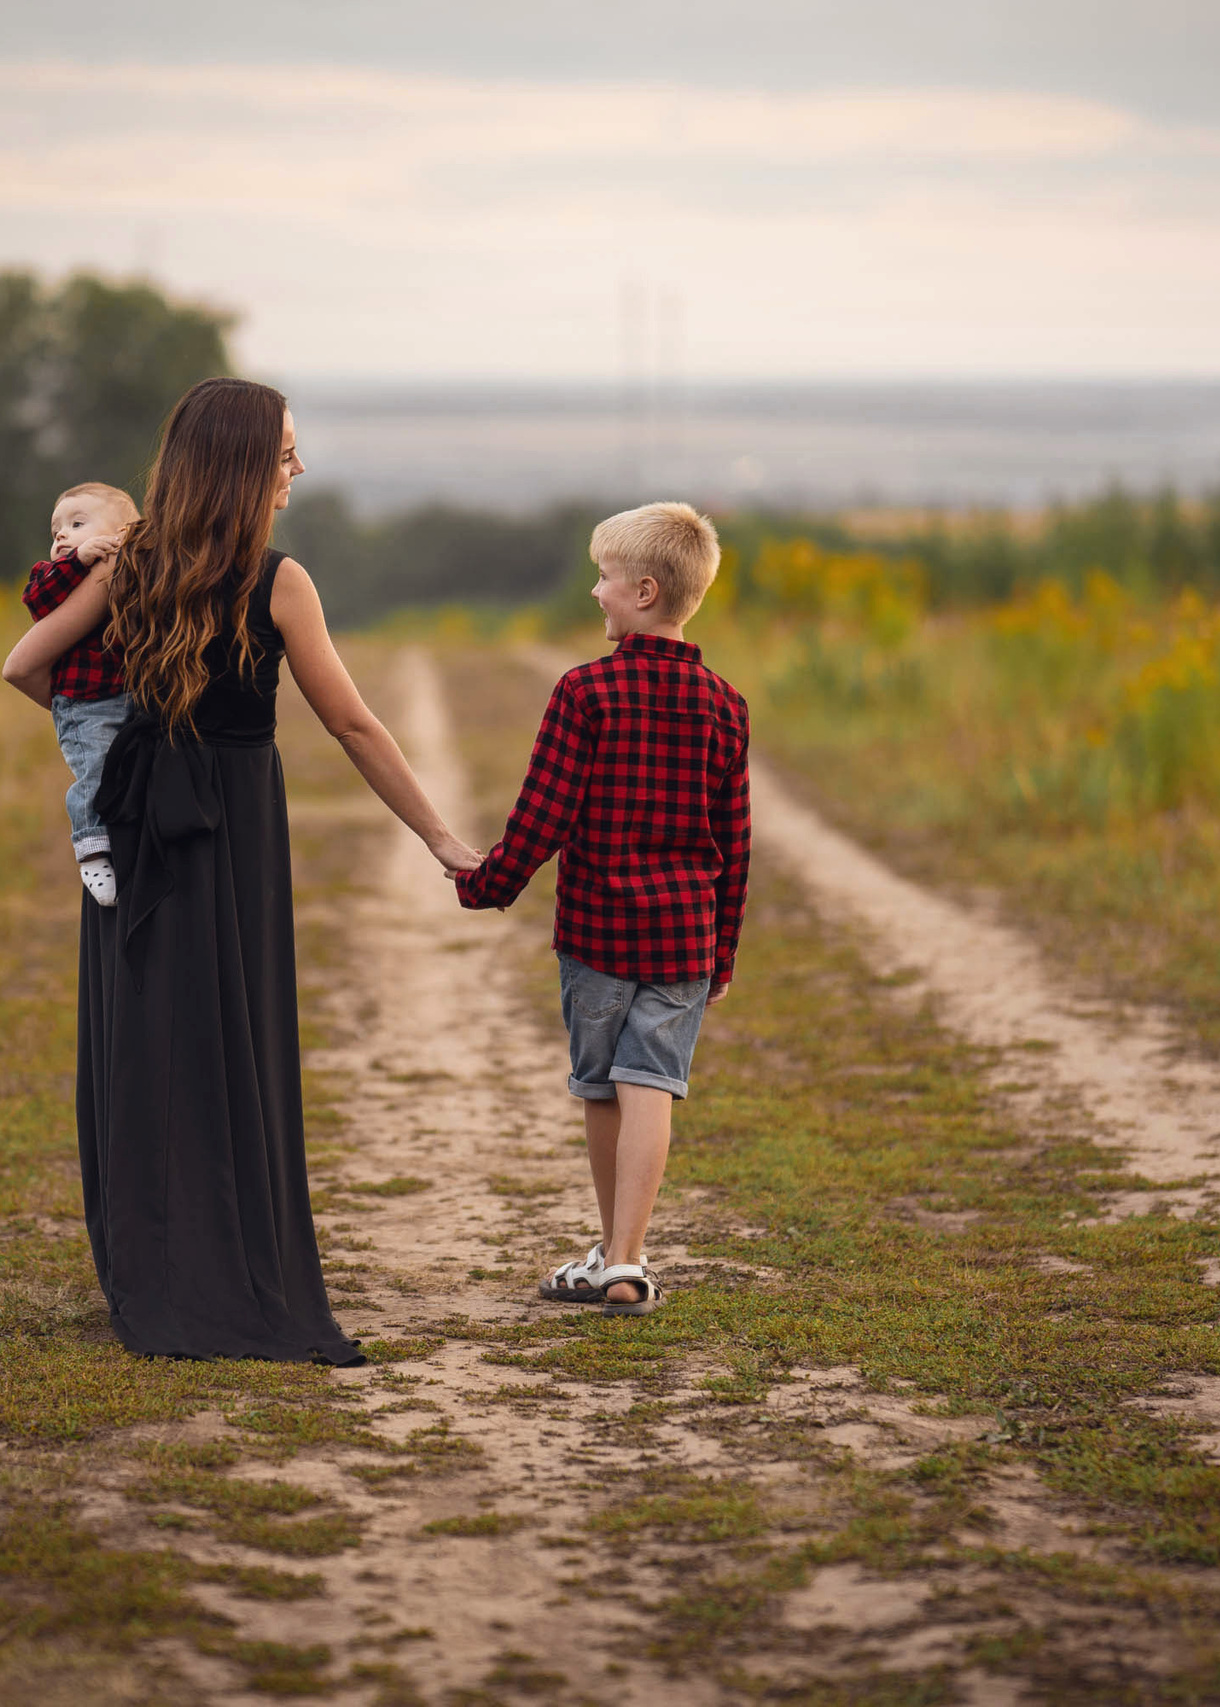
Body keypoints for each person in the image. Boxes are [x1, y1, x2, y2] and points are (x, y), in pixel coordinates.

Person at [77, 377, 480, 1363]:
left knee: (146, 1039)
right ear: (243, 464)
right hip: (228, 821)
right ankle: (226, 1262)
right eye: (285, 451)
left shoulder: (125, 568)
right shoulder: (277, 580)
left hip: (135, 815)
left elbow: (45, 676)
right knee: (229, 1040)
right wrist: (439, 837)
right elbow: (349, 720)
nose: (297, 468)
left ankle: (151, 1265)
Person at [455, 502, 750, 1316]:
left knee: (601, 1087)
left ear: (645, 591)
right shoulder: (727, 705)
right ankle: (627, 1257)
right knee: (652, 1080)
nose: (595, 591)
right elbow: (736, 845)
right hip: (685, 939)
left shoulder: (586, 691)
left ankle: (612, 1255)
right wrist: (721, 953)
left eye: (606, 579)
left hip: (598, 936)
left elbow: (543, 816)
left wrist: (486, 882)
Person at [1, 482, 139, 907]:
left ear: (121, 535)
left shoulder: (126, 571)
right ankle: (92, 849)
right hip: (84, 704)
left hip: (125, 697)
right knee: (94, 772)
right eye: (56, 528)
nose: (61, 535)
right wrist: (79, 559)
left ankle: (124, 841)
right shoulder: (52, 574)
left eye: (77, 524)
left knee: (128, 774)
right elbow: (38, 603)